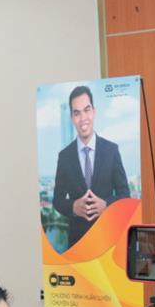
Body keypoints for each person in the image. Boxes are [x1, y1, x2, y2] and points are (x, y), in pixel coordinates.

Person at [51, 85, 131, 248]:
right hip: (77, 244)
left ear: (94, 112)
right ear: (72, 118)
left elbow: (125, 194)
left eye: (86, 110)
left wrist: (106, 205)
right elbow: (57, 200)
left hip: (107, 240)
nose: (83, 118)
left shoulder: (111, 150)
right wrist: (73, 207)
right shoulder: (64, 156)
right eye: (77, 113)